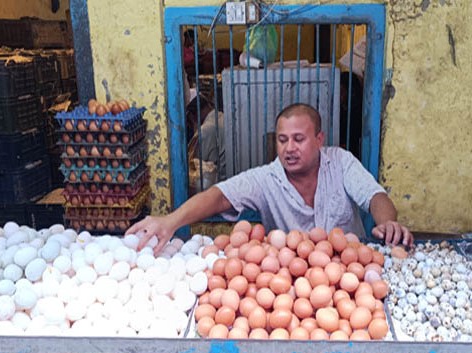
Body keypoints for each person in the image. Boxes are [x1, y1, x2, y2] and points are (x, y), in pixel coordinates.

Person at [127, 103, 413, 253]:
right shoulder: (266, 179)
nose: (289, 148)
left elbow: (375, 196)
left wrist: (387, 223)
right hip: (293, 283)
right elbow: (218, 195)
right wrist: (170, 221)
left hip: (351, 272)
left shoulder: (340, 162)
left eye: (299, 139)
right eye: (282, 139)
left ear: (319, 139)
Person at [185, 94, 226, 181]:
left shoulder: (205, 130)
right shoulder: (223, 117)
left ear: (192, 116)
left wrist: (196, 128)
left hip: (218, 182)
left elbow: (195, 165)